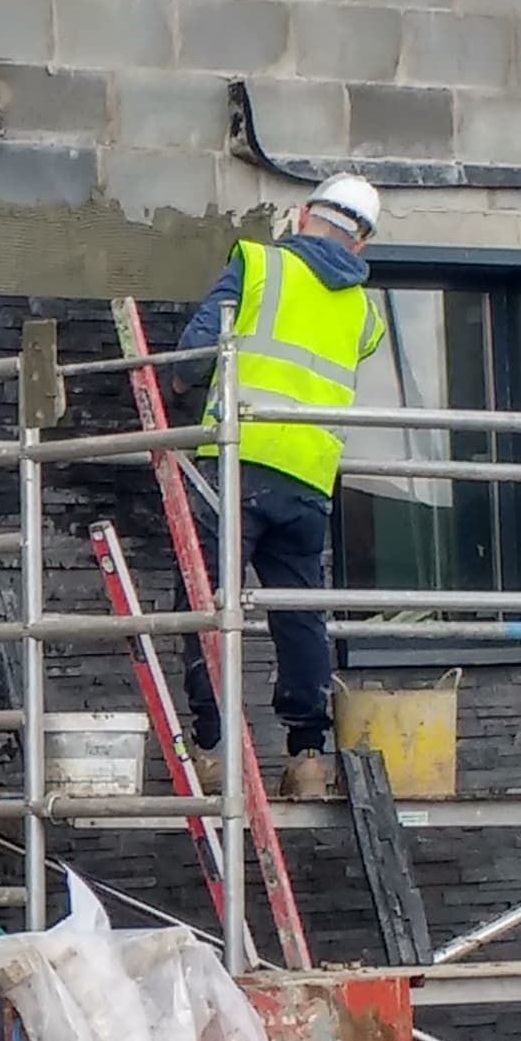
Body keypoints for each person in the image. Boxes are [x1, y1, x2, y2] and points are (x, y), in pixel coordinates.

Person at [177, 172, 388, 802]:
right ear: (361, 244)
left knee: (208, 602)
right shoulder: (363, 310)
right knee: (300, 614)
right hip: (309, 479)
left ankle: (213, 751)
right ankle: (307, 759)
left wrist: (179, 393)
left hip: (238, 463)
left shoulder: (258, 264)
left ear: (302, 214)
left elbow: (192, 356)